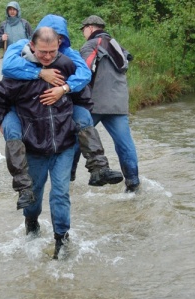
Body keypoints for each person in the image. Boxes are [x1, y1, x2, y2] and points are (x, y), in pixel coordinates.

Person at [0, 27, 94, 259]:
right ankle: (31, 223)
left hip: (64, 145)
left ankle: (61, 240)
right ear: (32, 46)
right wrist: (1, 123)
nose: (47, 56)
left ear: (59, 46)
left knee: (60, 193)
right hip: (34, 145)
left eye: (52, 51)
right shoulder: (19, 73)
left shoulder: (65, 66)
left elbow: (84, 97)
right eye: (43, 52)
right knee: (33, 196)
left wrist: (65, 93)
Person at [0, 14, 122, 210]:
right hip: (26, 110)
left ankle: (99, 168)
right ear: (36, 40)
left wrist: (63, 88)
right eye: (46, 45)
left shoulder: (67, 53)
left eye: (60, 38)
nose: (50, 51)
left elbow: (84, 74)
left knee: (84, 117)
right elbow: (7, 66)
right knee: (13, 135)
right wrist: (40, 72)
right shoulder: (22, 46)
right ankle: (24, 190)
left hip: (60, 107)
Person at [75, 15, 140, 192]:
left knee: (76, 138)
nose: (83, 33)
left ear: (90, 28)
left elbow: (84, 70)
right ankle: (133, 183)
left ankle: (68, 179)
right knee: (125, 144)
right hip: (119, 103)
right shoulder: (116, 44)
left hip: (94, 102)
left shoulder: (91, 44)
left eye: (83, 30)